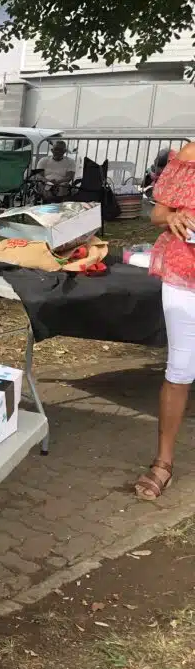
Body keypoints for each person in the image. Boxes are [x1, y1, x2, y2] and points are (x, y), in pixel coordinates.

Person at [134, 142, 195, 500]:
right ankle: (164, 463)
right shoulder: (189, 156)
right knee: (180, 369)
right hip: (184, 273)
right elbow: (158, 213)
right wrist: (171, 217)